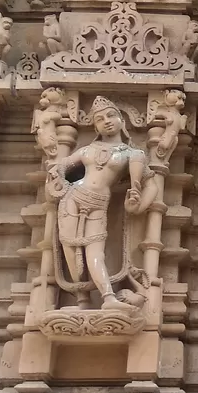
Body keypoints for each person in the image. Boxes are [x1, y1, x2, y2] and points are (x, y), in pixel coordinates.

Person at [46, 96, 155, 309]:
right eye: (99, 119)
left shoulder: (134, 155)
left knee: (95, 252)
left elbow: (151, 186)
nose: (106, 121)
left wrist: (138, 207)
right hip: (72, 198)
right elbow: (61, 166)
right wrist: (55, 179)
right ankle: (82, 300)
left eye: (111, 115)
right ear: (95, 126)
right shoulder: (88, 150)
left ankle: (108, 298)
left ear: (122, 121)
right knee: (70, 250)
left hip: (99, 203)